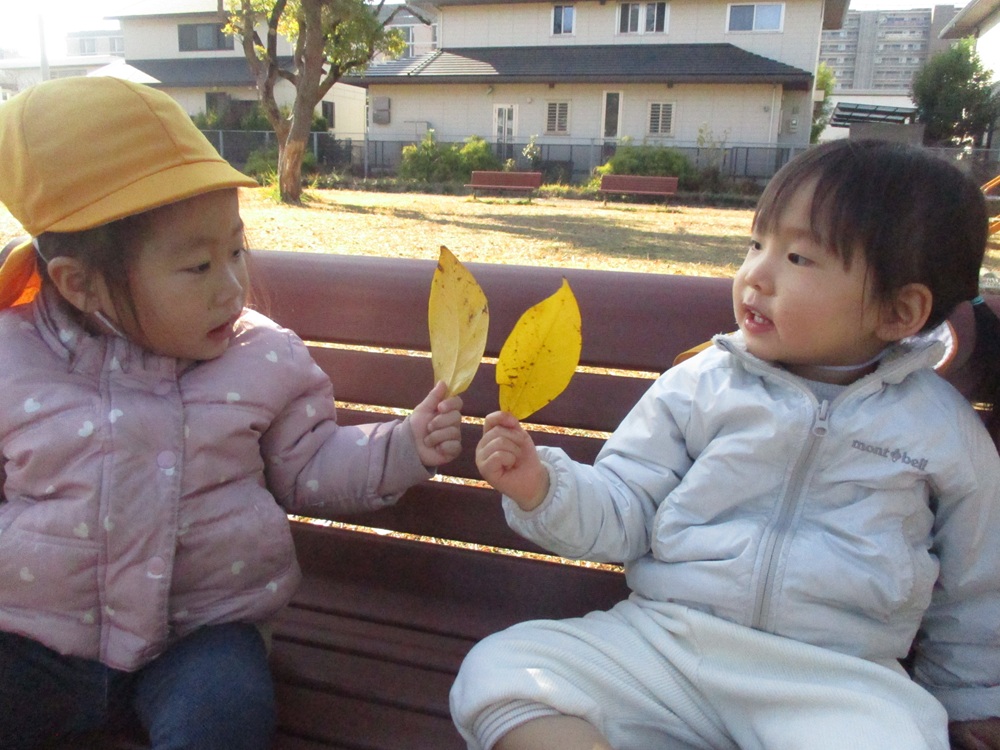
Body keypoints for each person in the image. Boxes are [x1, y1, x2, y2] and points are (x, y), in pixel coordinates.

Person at [452, 139, 1000, 750]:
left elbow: (978, 584)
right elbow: (626, 505)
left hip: (836, 680)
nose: (756, 276)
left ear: (900, 312)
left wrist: (973, 700)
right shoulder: (700, 385)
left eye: (798, 257)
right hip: (669, 647)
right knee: (503, 670)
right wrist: (543, 487)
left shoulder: (940, 430)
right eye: (756, 245)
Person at [0, 77, 463, 750]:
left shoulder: (261, 358)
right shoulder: (13, 361)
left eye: (237, 251)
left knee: (226, 716)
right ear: (80, 283)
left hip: (201, 636)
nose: (232, 287)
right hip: (39, 637)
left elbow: (309, 463)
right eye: (198, 267)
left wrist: (404, 446)